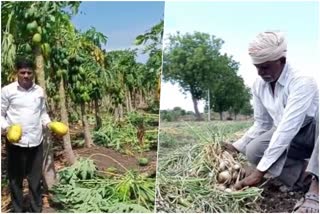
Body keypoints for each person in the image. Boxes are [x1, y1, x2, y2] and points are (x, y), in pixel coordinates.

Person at [223, 31, 319, 204]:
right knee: (254, 151)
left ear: (281, 61)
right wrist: (236, 147)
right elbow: (262, 123)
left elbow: (287, 128)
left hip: (312, 132)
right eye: (257, 67)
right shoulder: (259, 85)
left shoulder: (302, 81)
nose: (260, 72)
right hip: (290, 136)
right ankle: (303, 176)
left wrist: (259, 172)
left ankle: (316, 189)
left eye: (265, 67)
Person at [1, 57, 52, 213]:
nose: (26, 75)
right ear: (17, 72)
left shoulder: (39, 91)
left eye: (29, 72)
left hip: (36, 141)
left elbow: (42, 112)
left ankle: (36, 209)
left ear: (33, 73)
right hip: (16, 143)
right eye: (22, 72)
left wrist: (49, 123)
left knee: (35, 179)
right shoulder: (7, 91)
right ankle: (18, 209)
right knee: (15, 180)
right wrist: (7, 128)